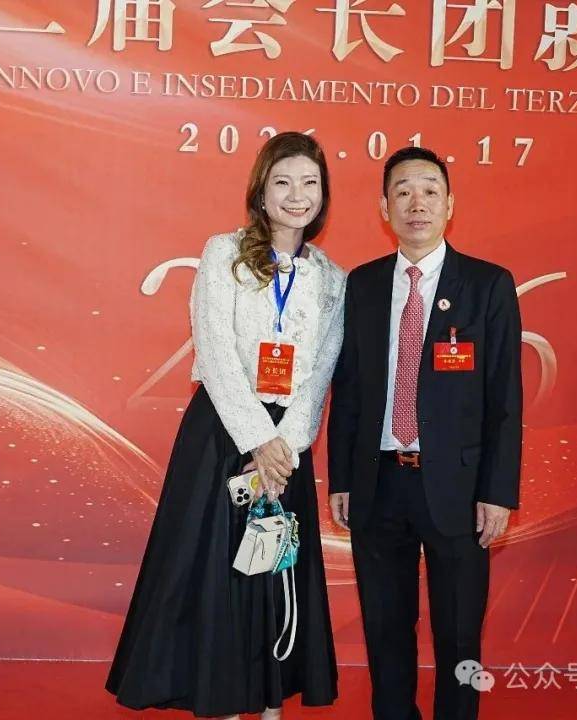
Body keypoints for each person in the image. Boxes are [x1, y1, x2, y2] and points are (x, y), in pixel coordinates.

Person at [106, 132, 344, 720]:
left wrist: (286, 444)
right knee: (220, 567)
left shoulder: (331, 277)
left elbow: (321, 370)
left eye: (309, 183)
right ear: (261, 192)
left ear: (323, 196)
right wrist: (258, 439)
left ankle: (269, 697)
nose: (297, 195)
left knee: (275, 561)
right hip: (224, 431)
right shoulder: (224, 253)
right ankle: (225, 697)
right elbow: (213, 351)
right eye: (283, 182)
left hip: (289, 443)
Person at [327, 146, 522, 720]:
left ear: (450, 205)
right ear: (384, 207)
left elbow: (504, 400)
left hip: (459, 490)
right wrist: (342, 478)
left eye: (430, 191)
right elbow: (349, 389)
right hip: (378, 482)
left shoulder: (487, 285)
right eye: (404, 192)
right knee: (386, 631)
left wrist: (497, 492)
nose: (417, 203)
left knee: (460, 635)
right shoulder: (362, 285)